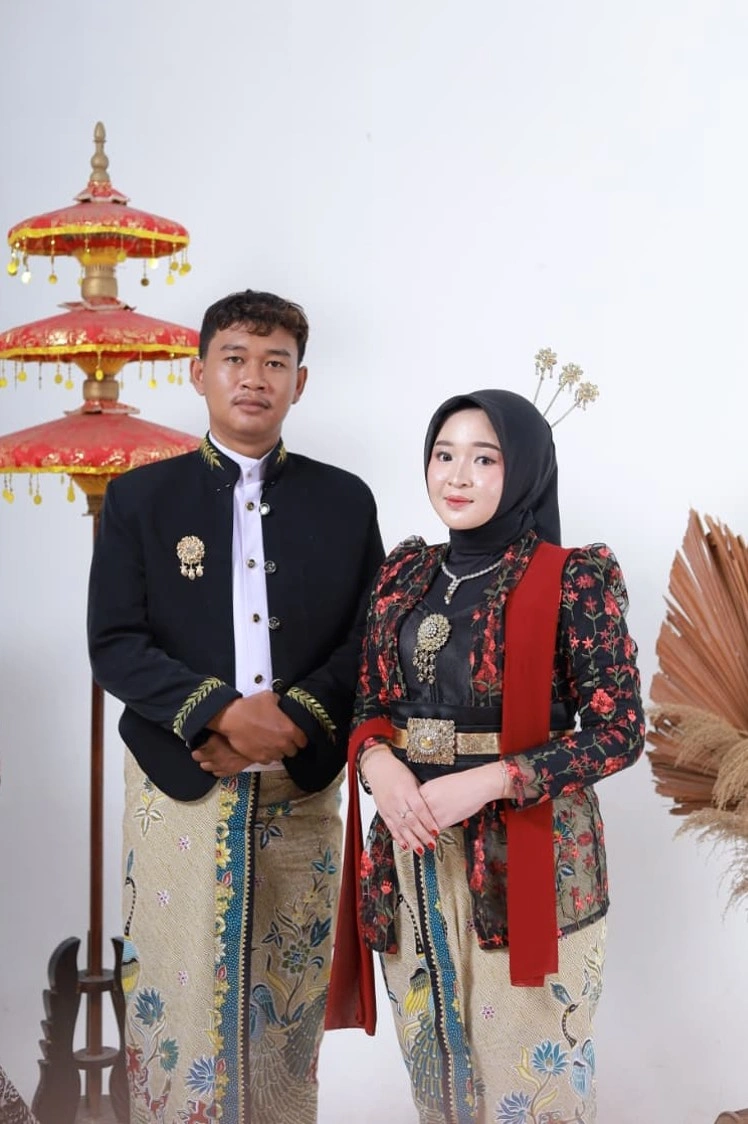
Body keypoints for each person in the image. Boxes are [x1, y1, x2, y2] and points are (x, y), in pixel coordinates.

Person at [88, 289, 384, 1124]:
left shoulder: (345, 500)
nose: (254, 378)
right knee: (174, 1010)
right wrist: (218, 712)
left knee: (286, 1009)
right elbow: (115, 643)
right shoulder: (140, 499)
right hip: (178, 784)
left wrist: (288, 719)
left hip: (302, 786)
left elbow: (370, 638)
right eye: (235, 359)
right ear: (199, 373)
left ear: (300, 382)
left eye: (275, 362)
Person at [327, 390, 645, 1124]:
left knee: (528, 1086)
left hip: (523, 856)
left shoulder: (572, 578)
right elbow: (368, 701)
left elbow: (619, 728)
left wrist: (493, 781)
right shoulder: (406, 574)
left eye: (484, 458)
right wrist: (376, 763)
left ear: (525, 469)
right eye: (444, 455)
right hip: (411, 853)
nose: (457, 475)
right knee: (436, 1073)